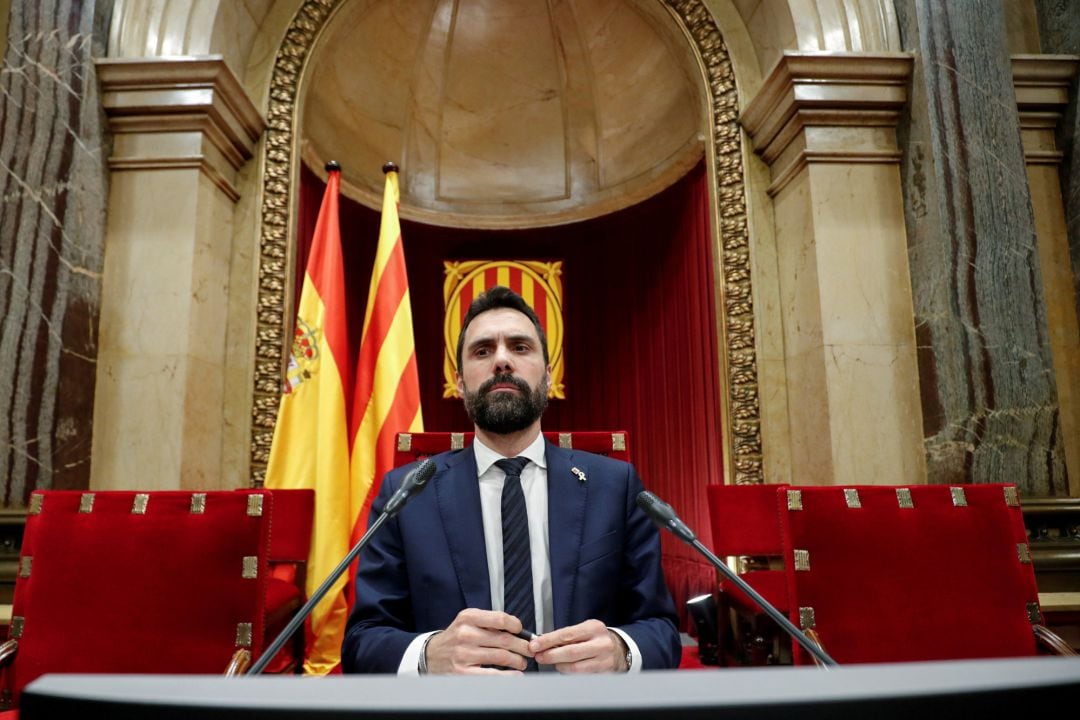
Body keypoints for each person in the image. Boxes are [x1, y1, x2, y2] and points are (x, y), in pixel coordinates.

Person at [341, 285, 681, 674]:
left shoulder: (614, 485)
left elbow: (661, 630)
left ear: (549, 376)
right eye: (483, 351)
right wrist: (429, 655)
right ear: (460, 382)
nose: (502, 360)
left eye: (520, 348)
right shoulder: (406, 495)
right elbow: (362, 642)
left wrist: (621, 652)